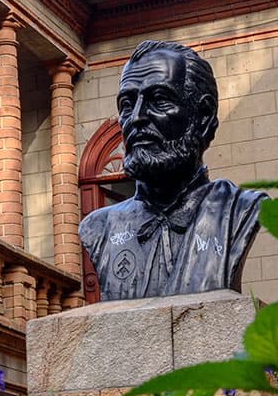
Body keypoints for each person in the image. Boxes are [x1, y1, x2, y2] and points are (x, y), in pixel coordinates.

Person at [78, 40, 263, 301]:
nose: (136, 117)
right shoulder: (98, 228)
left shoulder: (238, 209)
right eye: (127, 104)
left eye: (159, 100)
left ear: (203, 116)